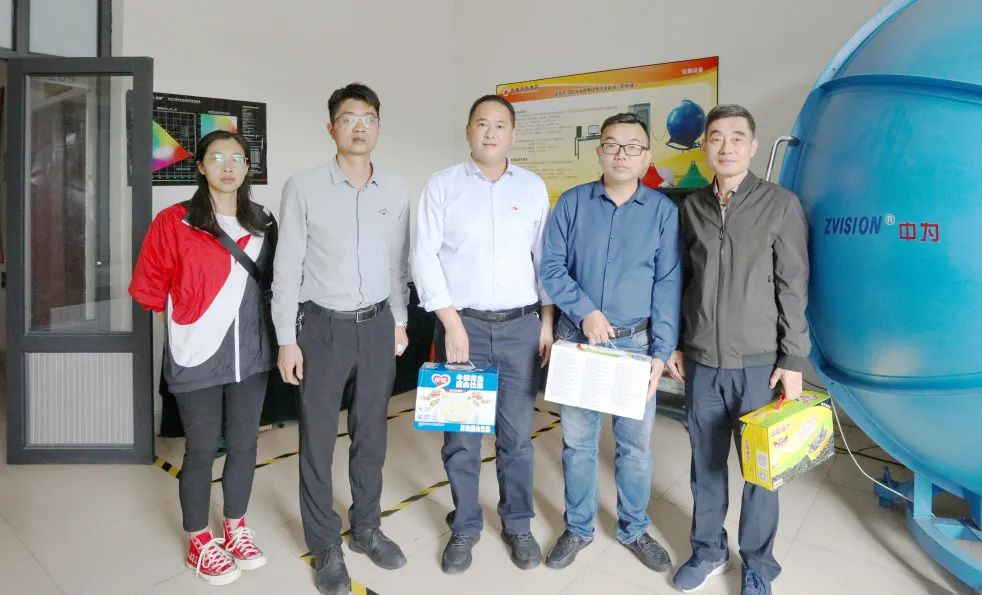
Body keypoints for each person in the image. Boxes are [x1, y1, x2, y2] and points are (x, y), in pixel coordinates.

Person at [272, 83, 411, 595]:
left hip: (377, 325)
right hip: (321, 328)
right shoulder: (303, 186)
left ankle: (367, 527)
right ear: (331, 127)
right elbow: (287, 265)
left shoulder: (395, 188)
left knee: (372, 434)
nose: (359, 126)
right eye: (349, 118)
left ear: (378, 126)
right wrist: (286, 338)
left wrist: (399, 321)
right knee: (317, 440)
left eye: (368, 118)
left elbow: (398, 264)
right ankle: (325, 542)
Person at [666, 104, 810, 595]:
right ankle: (708, 550)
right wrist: (677, 344)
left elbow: (794, 286)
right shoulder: (691, 208)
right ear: (705, 146)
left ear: (753, 145)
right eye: (716, 138)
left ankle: (758, 564)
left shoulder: (780, 204)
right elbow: (682, 282)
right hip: (703, 363)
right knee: (705, 465)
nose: (726, 147)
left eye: (736, 137)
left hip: (759, 367)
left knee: (761, 471)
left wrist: (793, 360)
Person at [412, 94, 555, 574]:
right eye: (481, 124)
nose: (490, 133)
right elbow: (423, 256)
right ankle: (465, 526)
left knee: (516, 438)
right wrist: (451, 322)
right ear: (468, 131)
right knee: (461, 438)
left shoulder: (532, 187)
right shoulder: (442, 185)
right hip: (462, 327)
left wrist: (547, 321)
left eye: (500, 125)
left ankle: (517, 524)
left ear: (512, 134)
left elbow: (544, 259)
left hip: (521, 328)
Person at [129, 130, 277, 586]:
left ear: (248, 168)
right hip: (197, 353)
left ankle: (235, 526)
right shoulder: (174, 221)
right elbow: (149, 287)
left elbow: (278, 283)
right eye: (217, 158)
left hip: (251, 354)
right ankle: (199, 539)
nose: (228, 167)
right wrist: (191, 322)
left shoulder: (264, 222)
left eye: (237, 159)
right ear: (200, 166)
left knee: (245, 444)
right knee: (202, 447)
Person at [539, 112, 681, 573]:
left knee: (635, 448)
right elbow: (551, 267)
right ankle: (578, 528)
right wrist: (586, 311)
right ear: (599, 151)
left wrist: (661, 351)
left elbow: (667, 284)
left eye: (632, 146)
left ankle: (634, 528)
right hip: (578, 340)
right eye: (613, 145)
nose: (622, 154)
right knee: (578, 444)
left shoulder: (662, 212)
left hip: (636, 345)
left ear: (647, 156)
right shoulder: (572, 203)